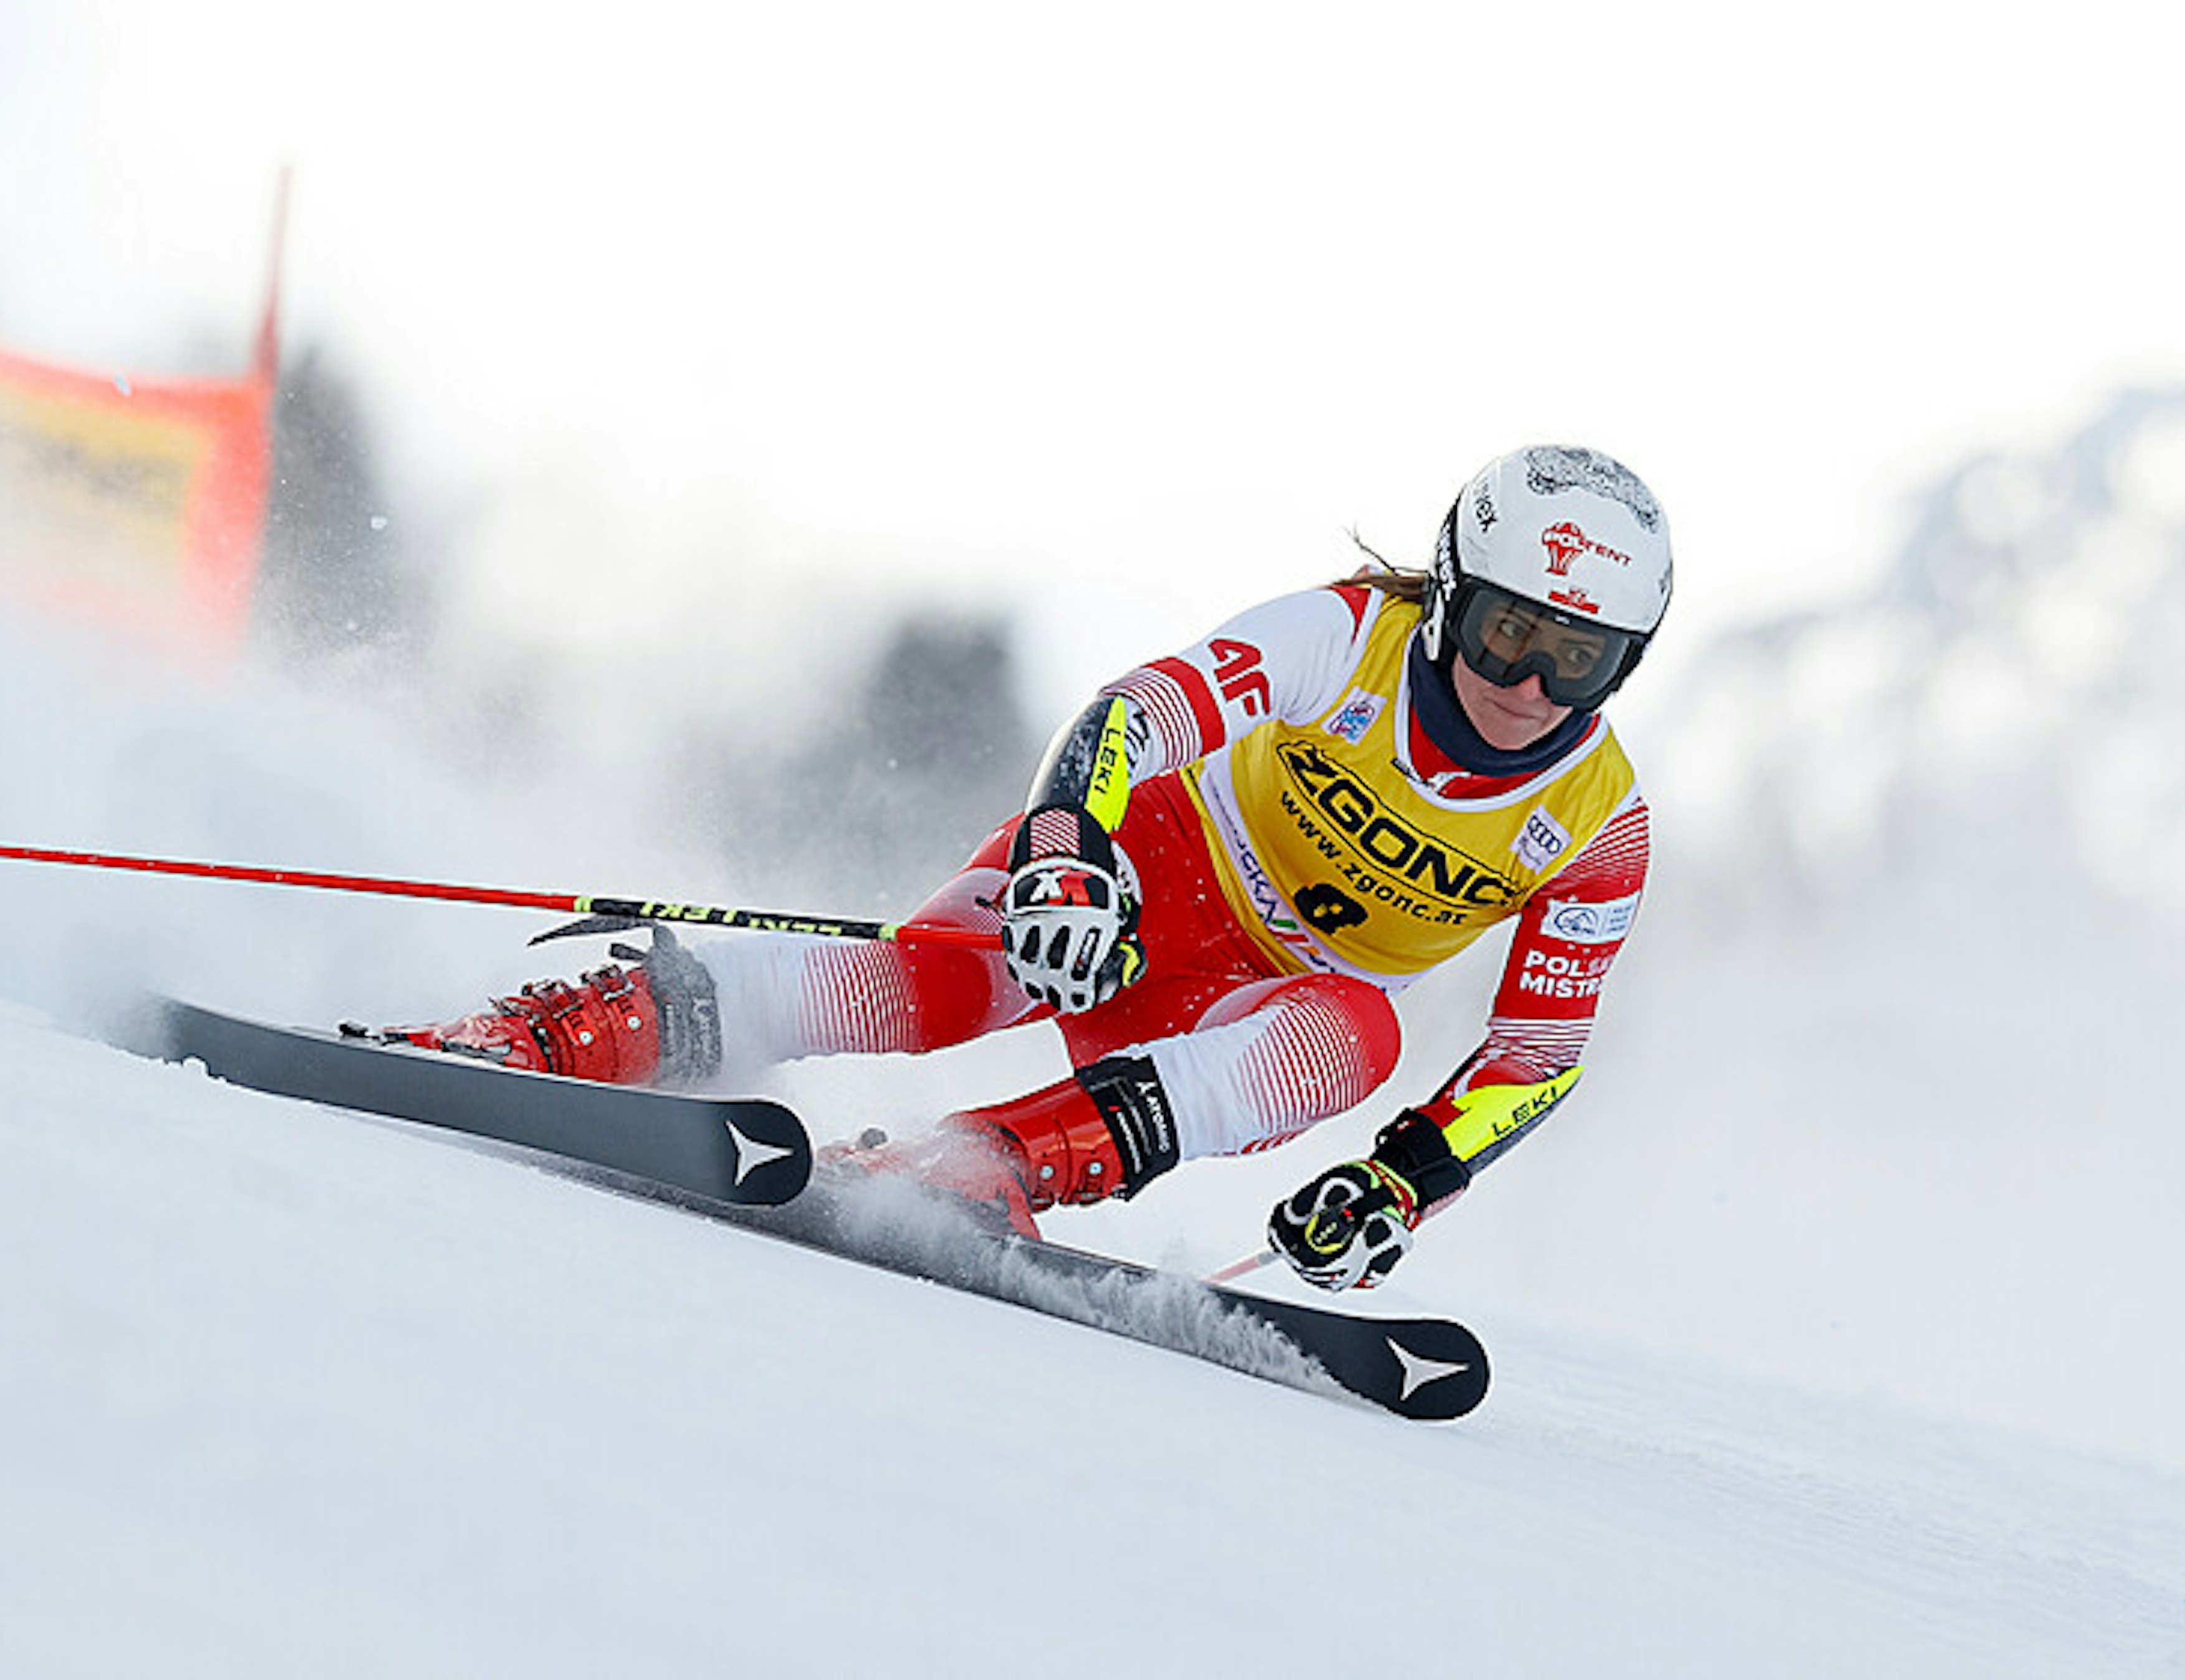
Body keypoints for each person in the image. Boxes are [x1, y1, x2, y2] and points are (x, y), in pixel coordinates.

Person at [380, 445, 1670, 1292]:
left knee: (1359, 1034)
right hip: (1149, 869)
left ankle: (980, 1167)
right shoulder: (1350, 636)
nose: (1527, 686)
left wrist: (1405, 1180)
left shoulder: (1599, 824)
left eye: (1582, 659)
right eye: (1508, 633)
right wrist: (1070, 856)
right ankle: (589, 1027)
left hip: (1253, 1001)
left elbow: (1534, 1056)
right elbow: (1136, 715)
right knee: (932, 986)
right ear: (1449, 594)